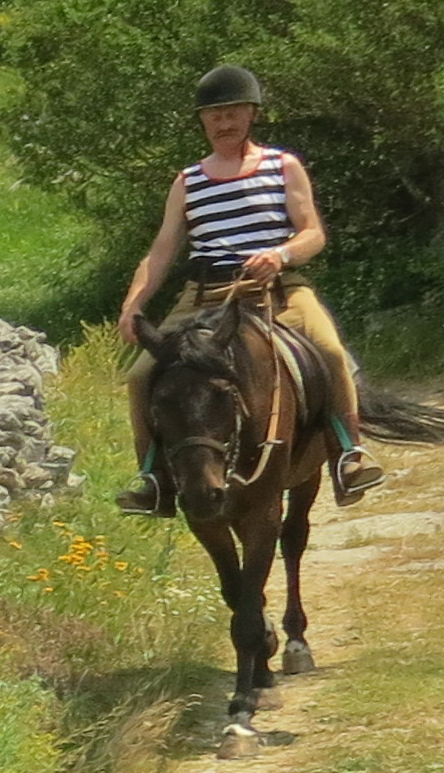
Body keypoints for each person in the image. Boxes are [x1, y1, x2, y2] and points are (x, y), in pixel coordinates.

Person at [116, 63, 381, 516]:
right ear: (202, 120)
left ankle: (348, 455)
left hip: (278, 288)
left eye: (234, 112)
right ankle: (152, 478)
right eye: (215, 114)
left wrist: (280, 255)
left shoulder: (283, 166)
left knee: (331, 352)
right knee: (141, 375)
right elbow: (162, 251)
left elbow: (312, 232)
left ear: (252, 114)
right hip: (204, 295)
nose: (224, 122)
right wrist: (133, 305)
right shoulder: (188, 181)